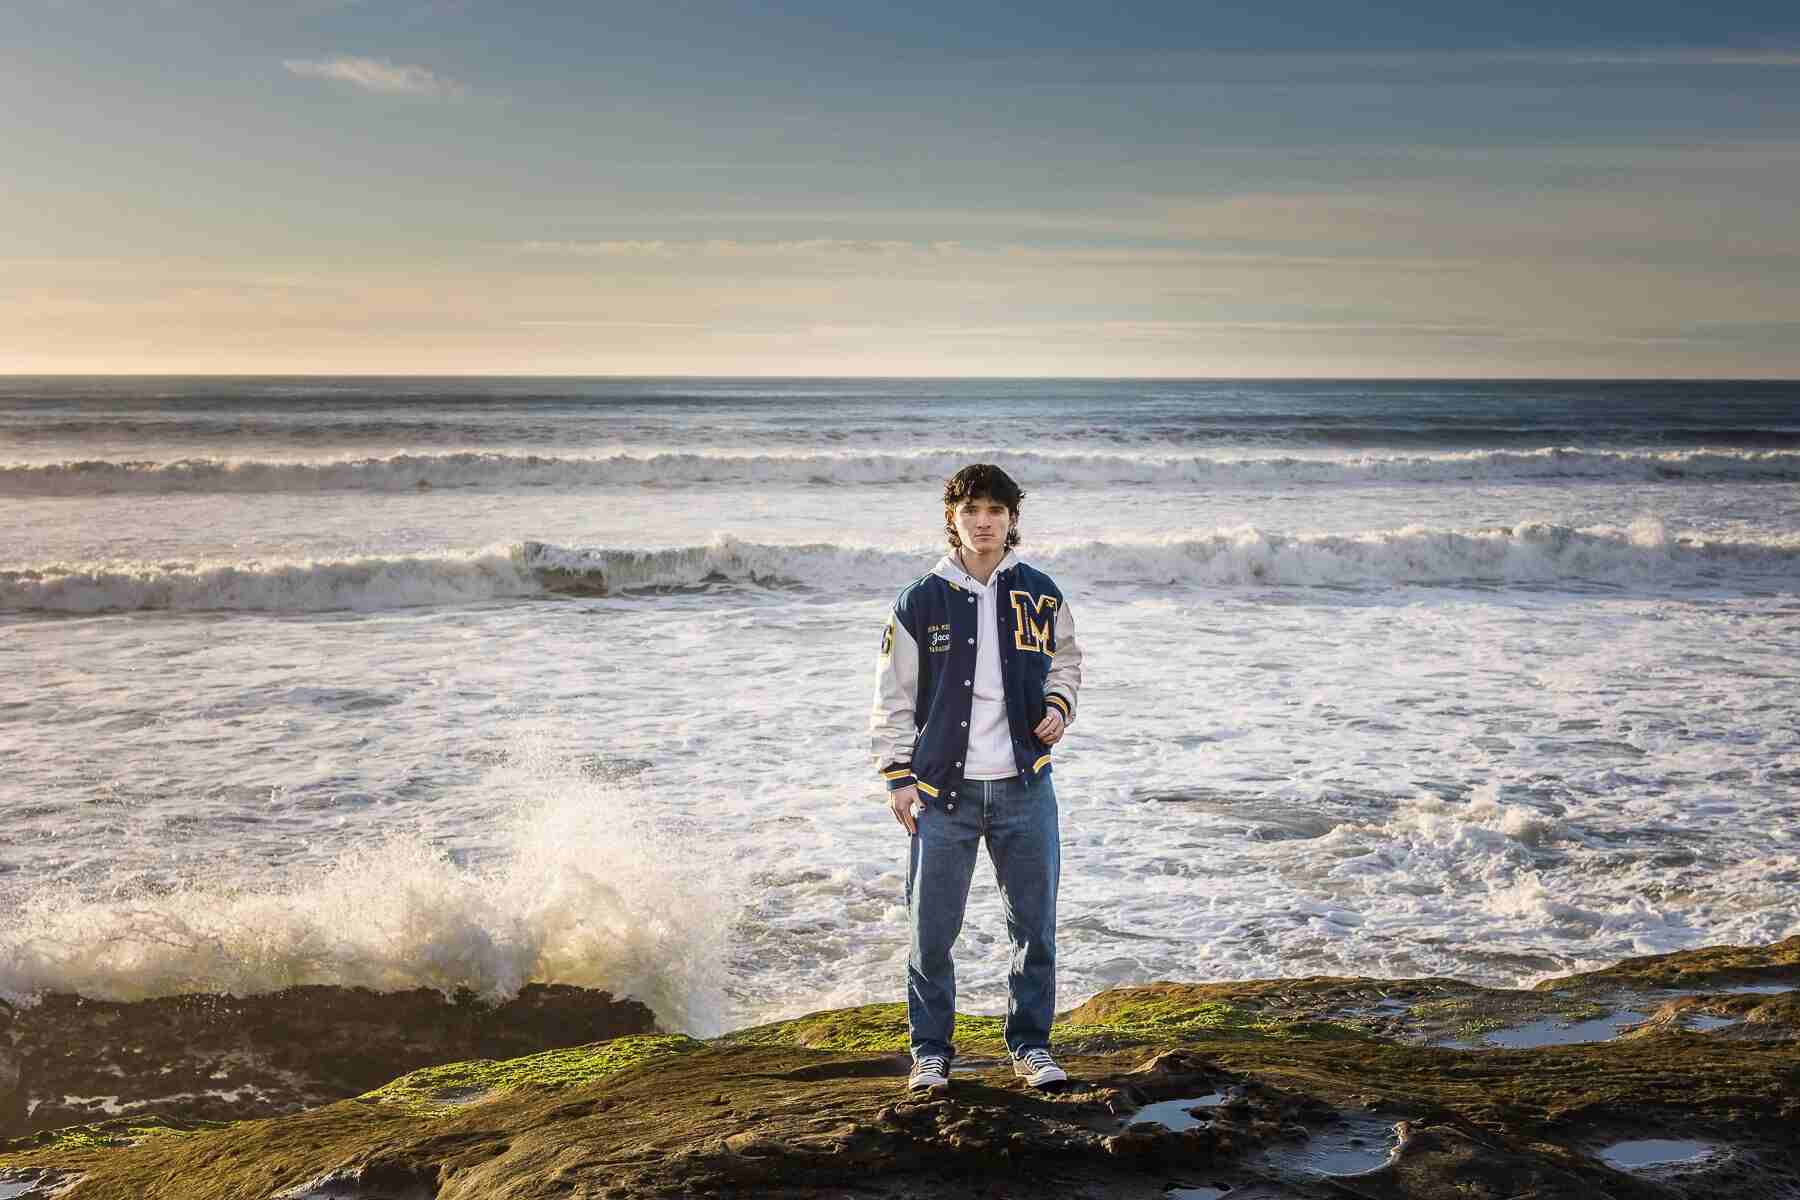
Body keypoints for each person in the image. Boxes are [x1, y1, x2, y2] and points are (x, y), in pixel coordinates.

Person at [869, 463, 1084, 1093]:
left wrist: (1058, 706)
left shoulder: (1040, 593)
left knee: (1035, 928)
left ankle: (1031, 1047)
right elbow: (892, 697)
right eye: (971, 511)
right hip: (942, 794)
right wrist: (896, 776)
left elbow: (1067, 661)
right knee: (930, 933)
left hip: (1025, 787)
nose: (983, 521)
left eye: (995, 510)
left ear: (1012, 519)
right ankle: (930, 1052)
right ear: (952, 519)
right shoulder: (919, 600)